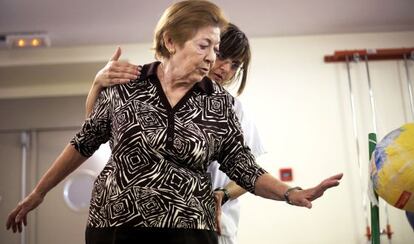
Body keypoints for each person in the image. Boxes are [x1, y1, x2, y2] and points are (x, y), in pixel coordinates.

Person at [6, 1, 343, 243]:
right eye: (205, 46)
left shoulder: (219, 102)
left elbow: (246, 168)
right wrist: (39, 192)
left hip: (190, 230)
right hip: (115, 226)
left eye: (216, 48)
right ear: (170, 41)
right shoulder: (127, 86)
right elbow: (85, 140)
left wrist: (290, 193)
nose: (213, 58)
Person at [86, 23, 262, 244]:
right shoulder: (154, 91)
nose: (225, 68)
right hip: (149, 219)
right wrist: (97, 85)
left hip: (210, 223)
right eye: (221, 55)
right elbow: (93, 131)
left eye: (235, 65)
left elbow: (250, 175)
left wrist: (222, 194)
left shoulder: (233, 109)